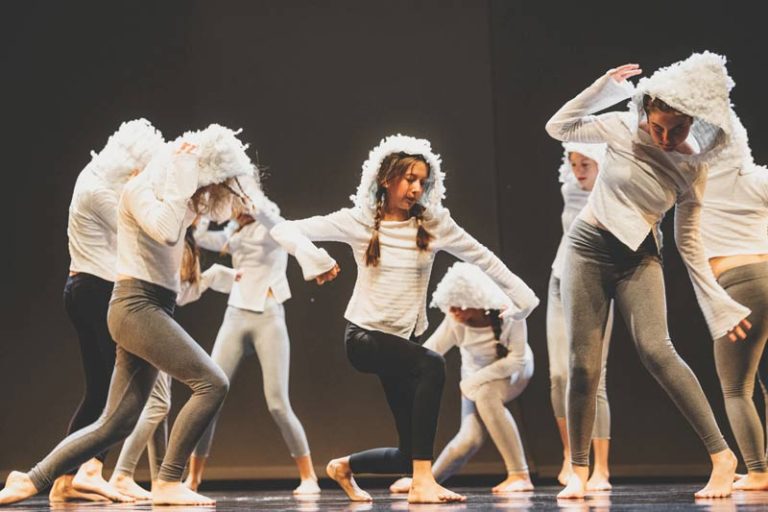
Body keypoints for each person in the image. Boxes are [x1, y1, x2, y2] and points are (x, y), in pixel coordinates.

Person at [270, 134, 539, 503]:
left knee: (409, 453)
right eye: (409, 179)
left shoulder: (433, 224)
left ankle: (343, 467)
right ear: (386, 178)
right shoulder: (360, 222)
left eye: (422, 182)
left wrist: (522, 296)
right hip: (363, 339)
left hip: (400, 344)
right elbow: (283, 228)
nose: (416, 189)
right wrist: (313, 258)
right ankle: (422, 483)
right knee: (432, 364)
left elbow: (484, 258)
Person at [0, 124, 257, 506]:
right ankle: (167, 481)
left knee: (116, 421)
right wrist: (183, 173)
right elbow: (165, 232)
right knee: (212, 383)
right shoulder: (137, 190)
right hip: (136, 307)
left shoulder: (176, 200)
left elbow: (189, 233)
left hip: (153, 307)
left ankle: (31, 478)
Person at [545, 52, 750, 499]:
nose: (665, 138)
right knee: (583, 365)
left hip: (639, 256)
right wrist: (604, 88)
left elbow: (689, 242)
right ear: (645, 113)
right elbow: (558, 127)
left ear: (692, 121)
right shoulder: (621, 127)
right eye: (658, 128)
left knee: (658, 350)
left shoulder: (692, 166)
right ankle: (578, 470)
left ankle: (722, 457)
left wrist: (717, 302)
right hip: (586, 247)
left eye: (676, 130)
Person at [51, 119, 164, 504]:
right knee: (124, 391)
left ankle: (66, 477)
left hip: (84, 289)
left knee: (99, 392)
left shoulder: (95, 175)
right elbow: (138, 231)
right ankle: (91, 470)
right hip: (96, 291)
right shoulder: (99, 189)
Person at [184, 177, 320, 495]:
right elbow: (200, 236)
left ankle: (308, 477)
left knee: (277, 403)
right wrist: (207, 204)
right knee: (209, 397)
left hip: (268, 314)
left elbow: (273, 219)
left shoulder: (271, 227)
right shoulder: (234, 232)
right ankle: (193, 478)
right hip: (236, 314)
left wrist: (249, 195)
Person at [109, 225, 235, 500]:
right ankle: (123, 474)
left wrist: (212, 278)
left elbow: (179, 293)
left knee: (159, 405)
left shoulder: (186, 240)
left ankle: (159, 481)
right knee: (157, 405)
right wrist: (213, 277)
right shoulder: (170, 235)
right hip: (146, 320)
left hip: (153, 320)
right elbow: (171, 290)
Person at [389, 262, 534, 494]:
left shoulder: (509, 312)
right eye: (450, 306)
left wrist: (473, 382)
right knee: (469, 438)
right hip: (473, 379)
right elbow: (432, 350)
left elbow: (516, 360)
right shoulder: (454, 321)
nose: (454, 313)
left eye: (459, 307)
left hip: (512, 372)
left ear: (477, 301)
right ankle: (428, 480)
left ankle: (520, 474)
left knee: (486, 394)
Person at [701, 111, 768, 491]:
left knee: (736, 387)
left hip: (739, 284)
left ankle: (758, 472)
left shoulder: (699, 181)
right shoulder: (758, 178)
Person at [547, 142, 613, 490]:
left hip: (595, 286)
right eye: (573, 164)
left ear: (601, 163)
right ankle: (570, 455)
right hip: (560, 280)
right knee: (559, 375)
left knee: (593, 376)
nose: (578, 171)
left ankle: (601, 468)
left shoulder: (614, 196)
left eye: (585, 164)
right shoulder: (570, 189)